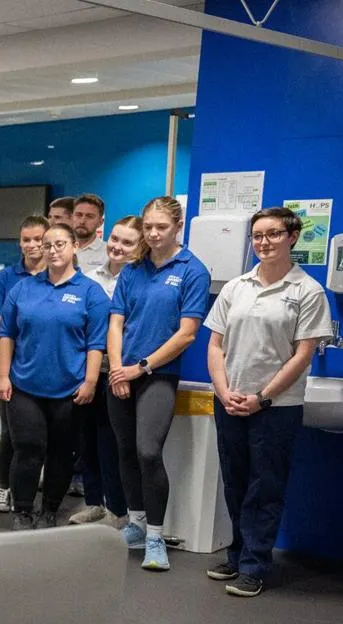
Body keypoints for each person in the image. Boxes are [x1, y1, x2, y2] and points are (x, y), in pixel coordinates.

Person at [205, 207, 332, 597]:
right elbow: (215, 345)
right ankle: (238, 551)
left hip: (276, 408)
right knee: (235, 481)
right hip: (230, 401)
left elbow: (302, 354)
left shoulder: (307, 291)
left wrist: (262, 397)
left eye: (273, 234)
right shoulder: (236, 287)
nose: (264, 242)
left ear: (292, 237)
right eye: (257, 235)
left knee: (265, 486)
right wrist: (225, 391)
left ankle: (255, 564)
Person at [107, 196, 211, 571]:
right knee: (125, 452)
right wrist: (118, 368)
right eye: (148, 227)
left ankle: (154, 535)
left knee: (148, 451)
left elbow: (186, 335)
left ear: (178, 226)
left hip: (157, 376)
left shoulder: (192, 270)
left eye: (161, 227)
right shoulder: (132, 270)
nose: (152, 234)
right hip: (121, 374)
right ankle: (134, 524)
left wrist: (140, 368)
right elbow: (116, 321)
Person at [0, 223, 110, 529]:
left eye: (60, 244)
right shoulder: (23, 288)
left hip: (70, 389)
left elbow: (96, 342)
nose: (53, 250)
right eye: (48, 245)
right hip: (24, 386)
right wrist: (3, 376)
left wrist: (90, 381)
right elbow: (7, 334)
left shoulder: (91, 293)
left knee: (61, 452)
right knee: (28, 448)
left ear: (74, 247)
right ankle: (22, 509)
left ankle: (49, 510)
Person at [71, 215, 143, 526]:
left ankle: (118, 509)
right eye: (114, 239)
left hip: (121, 374)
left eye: (127, 242)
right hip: (88, 372)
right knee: (86, 440)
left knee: (111, 443)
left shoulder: (140, 280)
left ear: (139, 246)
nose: (117, 247)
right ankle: (93, 502)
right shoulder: (89, 278)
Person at [0, 215, 49, 511]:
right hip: (13, 367)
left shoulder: (59, 274)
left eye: (39, 239)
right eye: (27, 239)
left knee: (45, 434)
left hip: (50, 369)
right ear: (19, 242)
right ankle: (5, 487)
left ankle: (36, 487)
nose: (33, 245)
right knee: (12, 432)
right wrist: (20, 350)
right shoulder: (6, 278)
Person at [71, 193, 109, 271]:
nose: (82, 221)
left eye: (89, 216)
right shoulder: (59, 248)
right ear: (72, 217)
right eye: (78, 215)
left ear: (100, 222)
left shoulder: (108, 253)